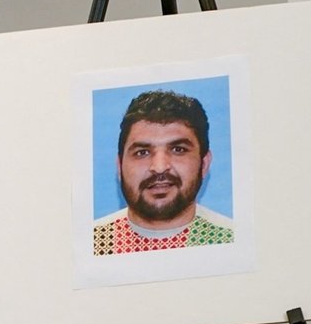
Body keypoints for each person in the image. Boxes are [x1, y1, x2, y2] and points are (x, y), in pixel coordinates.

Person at [92, 88, 234, 255]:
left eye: (178, 149)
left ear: (204, 164)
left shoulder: (234, 241)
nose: (159, 167)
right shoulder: (91, 243)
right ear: (119, 166)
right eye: (142, 152)